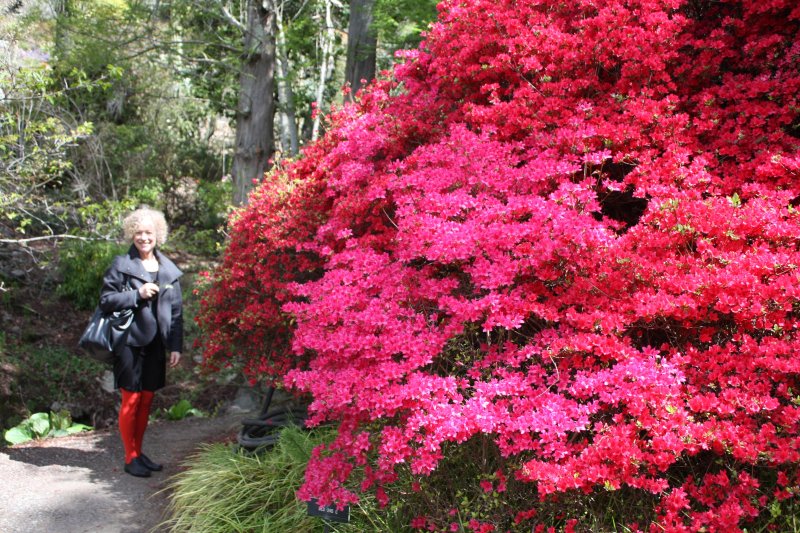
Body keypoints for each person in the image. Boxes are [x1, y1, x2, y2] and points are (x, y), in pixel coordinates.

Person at [98, 207, 183, 477]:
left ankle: (139, 451)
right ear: (131, 234)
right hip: (129, 342)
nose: (144, 238)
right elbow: (106, 301)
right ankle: (129, 456)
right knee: (131, 400)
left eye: (149, 232)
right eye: (138, 233)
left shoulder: (169, 269)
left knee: (146, 400)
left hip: (157, 344)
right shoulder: (121, 265)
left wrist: (176, 346)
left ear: (158, 234)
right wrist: (138, 293)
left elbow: (177, 313)